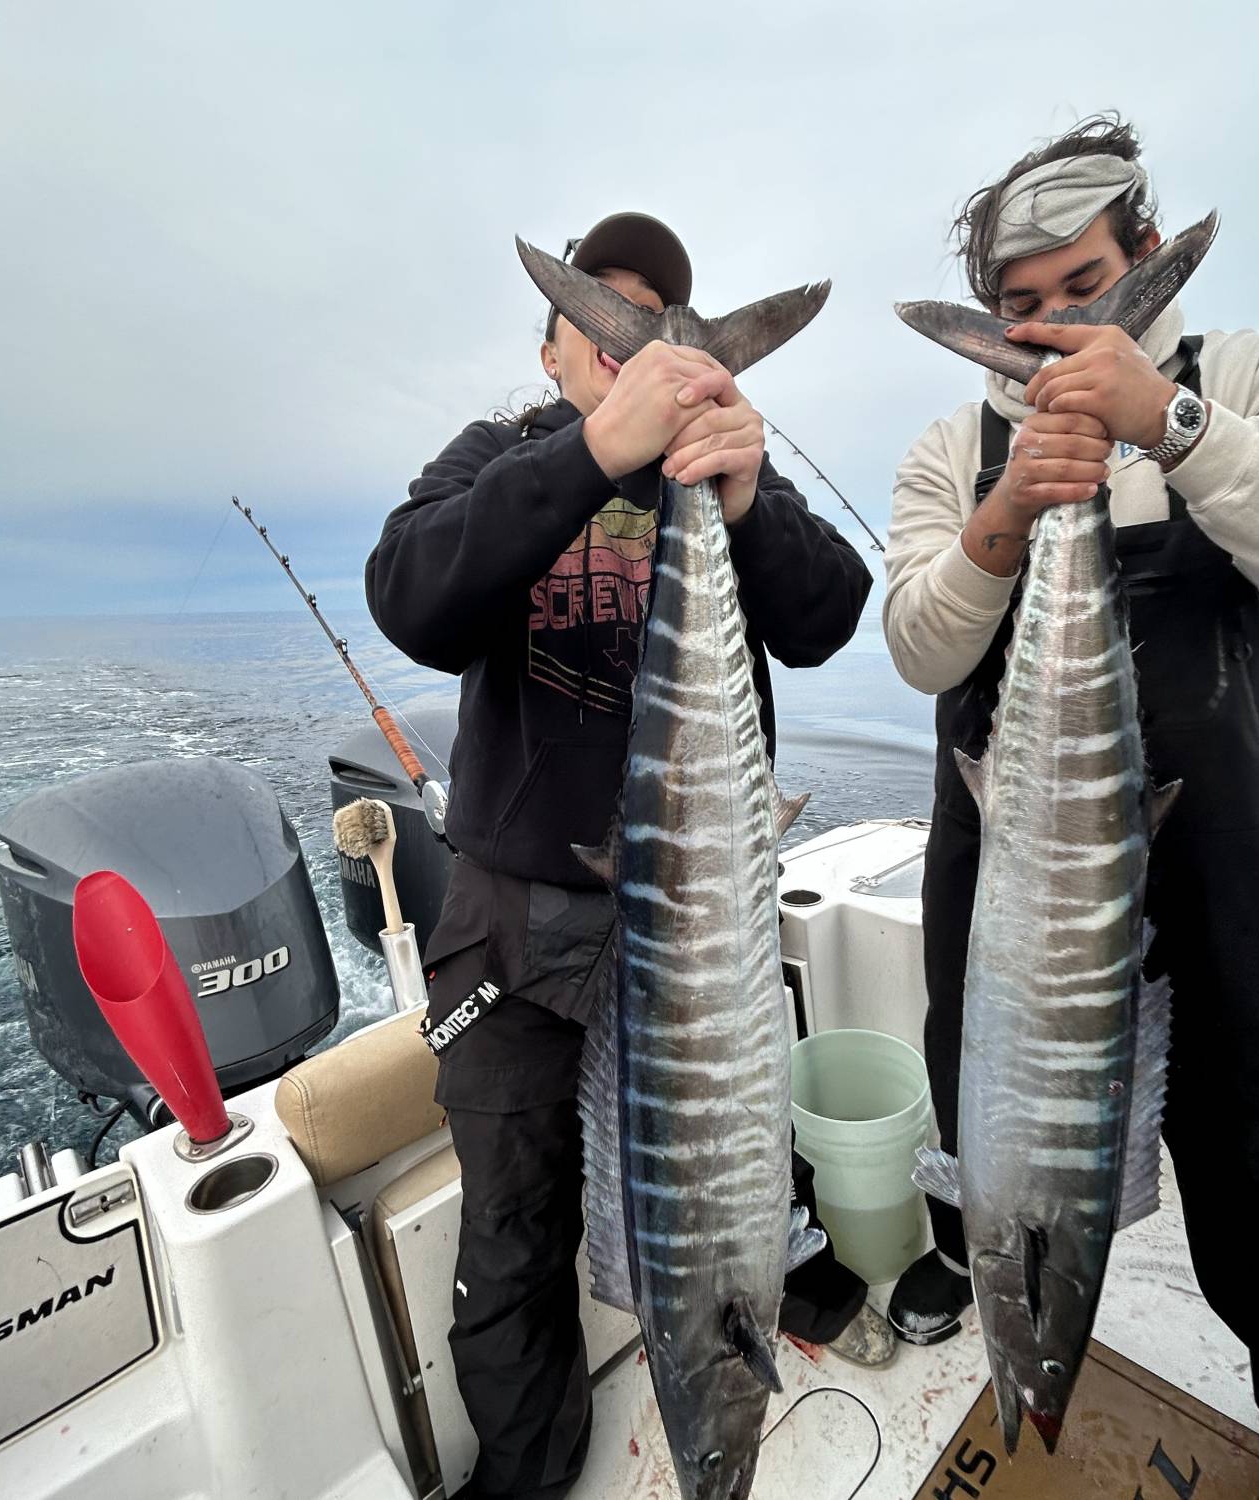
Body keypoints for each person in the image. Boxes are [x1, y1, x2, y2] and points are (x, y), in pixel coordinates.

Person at [881, 117, 1259, 1496]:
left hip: (1227, 911)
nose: (1056, 328)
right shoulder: (953, 446)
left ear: (1154, 264)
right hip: (1016, 918)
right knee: (1006, 1173)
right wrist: (1010, 512)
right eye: (1025, 308)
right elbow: (923, 647)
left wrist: (1166, 423)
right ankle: (1008, 1312)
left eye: (1085, 289)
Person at [366, 211, 891, 1500]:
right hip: (516, 926)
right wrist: (599, 453)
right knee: (514, 1225)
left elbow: (828, 617)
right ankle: (534, 1476)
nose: (633, 339)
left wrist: (748, 493)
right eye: (602, 317)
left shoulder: (722, 472)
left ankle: (782, 1312)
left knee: (736, 1152)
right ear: (556, 354)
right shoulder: (501, 459)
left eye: (661, 318)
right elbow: (411, 596)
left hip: (701, 907)